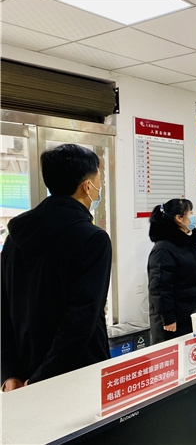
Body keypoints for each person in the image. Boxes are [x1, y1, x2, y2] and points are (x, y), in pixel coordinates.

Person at [1, 144, 112, 392]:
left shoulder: (15, 236)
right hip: (78, 373)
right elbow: (81, 320)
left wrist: (9, 372)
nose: (100, 185)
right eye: (99, 179)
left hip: (24, 371)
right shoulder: (93, 239)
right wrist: (42, 378)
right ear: (87, 186)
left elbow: (3, 307)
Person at [147, 198, 196, 344]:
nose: (194, 217)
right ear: (179, 218)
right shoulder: (163, 249)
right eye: (190, 213)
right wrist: (168, 318)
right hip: (174, 321)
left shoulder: (190, 243)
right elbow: (160, 288)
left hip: (193, 313)